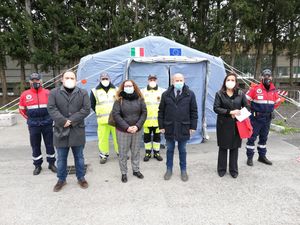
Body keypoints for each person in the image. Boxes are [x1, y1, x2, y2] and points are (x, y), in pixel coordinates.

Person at [47, 71, 91, 192]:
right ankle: (61, 179)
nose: (69, 79)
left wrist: (71, 120)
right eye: (67, 77)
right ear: (62, 79)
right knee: (61, 158)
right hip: (60, 131)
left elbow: (86, 109)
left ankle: (81, 177)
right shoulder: (54, 92)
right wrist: (62, 121)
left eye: (72, 78)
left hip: (77, 130)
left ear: (76, 79)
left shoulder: (82, 93)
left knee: (79, 157)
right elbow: (51, 108)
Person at [158, 73, 198, 182]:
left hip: (184, 126)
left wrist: (193, 127)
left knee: (182, 150)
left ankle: (183, 170)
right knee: (169, 149)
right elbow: (161, 111)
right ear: (172, 81)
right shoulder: (166, 94)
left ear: (184, 81)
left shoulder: (190, 94)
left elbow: (193, 111)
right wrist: (161, 125)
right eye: (177, 80)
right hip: (169, 126)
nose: (179, 82)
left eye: (181, 80)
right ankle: (169, 169)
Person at [19, 73, 56, 175]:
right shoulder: (25, 94)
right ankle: (37, 165)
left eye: (37, 80)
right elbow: (21, 110)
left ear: (41, 81)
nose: (35, 82)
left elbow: (53, 108)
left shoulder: (48, 93)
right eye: (33, 80)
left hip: (47, 123)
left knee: (50, 144)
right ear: (30, 82)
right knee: (35, 145)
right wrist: (30, 119)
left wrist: (51, 119)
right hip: (33, 124)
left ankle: (52, 163)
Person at [213, 73, 249, 178]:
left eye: (233, 80)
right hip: (223, 124)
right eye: (228, 79)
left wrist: (239, 113)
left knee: (234, 148)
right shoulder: (219, 94)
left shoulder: (240, 94)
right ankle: (221, 169)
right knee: (223, 147)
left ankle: (233, 170)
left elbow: (247, 106)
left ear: (236, 82)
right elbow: (216, 108)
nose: (230, 82)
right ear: (225, 81)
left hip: (236, 125)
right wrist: (230, 112)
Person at [112, 80, 147, 183]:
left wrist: (137, 126)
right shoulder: (119, 100)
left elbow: (144, 113)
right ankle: (124, 173)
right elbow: (116, 115)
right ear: (123, 88)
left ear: (134, 86)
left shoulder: (140, 99)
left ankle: (136, 170)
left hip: (137, 130)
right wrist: (127, 127)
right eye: (126, 86)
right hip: (123, 131)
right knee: (123, 153)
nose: (128, 87)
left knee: (136, 152)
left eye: (130, 85)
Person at [245, 69, 281, 166]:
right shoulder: (255, 88)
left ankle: (262, 157)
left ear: (271, 77)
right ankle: (250, 157)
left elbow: (277, 102)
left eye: (269, 76)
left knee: (264, 138)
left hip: (267, 119)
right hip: (256, 118)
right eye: (265, 75)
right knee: (252, 138)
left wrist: (271, 109)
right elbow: (246, 100)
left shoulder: (274, 90)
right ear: (261, 77)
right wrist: (251, 110)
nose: (267, 77)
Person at [90, 73, 118, 164]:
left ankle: (120, 153)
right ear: (100, 80)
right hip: (102, 121)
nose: (105, 80)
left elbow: (119, 103)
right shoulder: (94, 91)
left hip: (115, 120)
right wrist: (100, 112)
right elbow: (92, 105)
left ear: (110, 79)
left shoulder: (116, 89)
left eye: (106, 78)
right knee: (102, 139)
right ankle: (103, 156)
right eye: (103, 78)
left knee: (118, 138)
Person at [141, 74, 165, 162]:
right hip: (146, 121)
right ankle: (147, 153)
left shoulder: (162, 91)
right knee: (146, 137)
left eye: (154, 79)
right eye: (150, 79)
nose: (152, 81)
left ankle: (156, 153)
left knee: (157, 137)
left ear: (156, 80)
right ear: (148, 80)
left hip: (157, 120)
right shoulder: (142, 91)